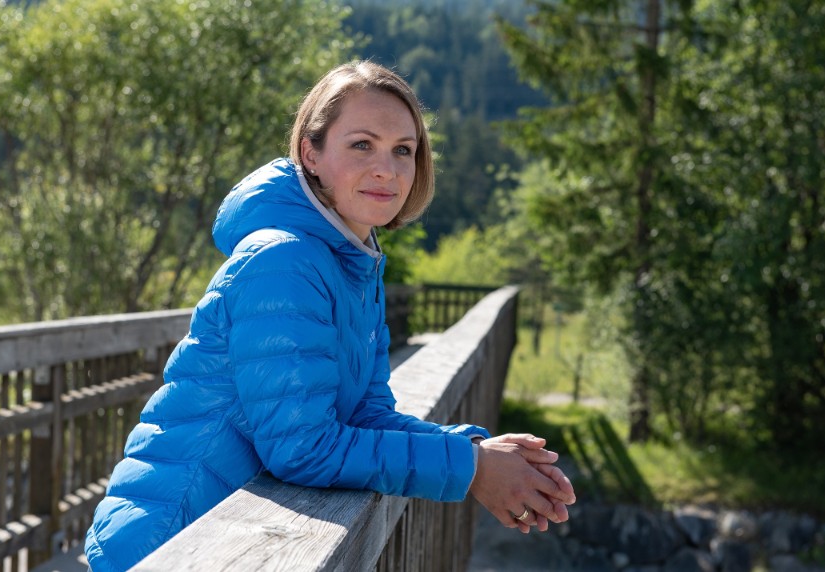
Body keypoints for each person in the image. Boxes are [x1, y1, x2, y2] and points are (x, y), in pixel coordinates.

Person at [84, 60, 575, 572]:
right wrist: (471, 469)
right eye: (362, 144)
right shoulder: (283, 261)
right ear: (310, 154)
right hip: (169, 542)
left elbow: (364, 413)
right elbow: (302, 447)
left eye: (402, 150)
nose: (387, 168)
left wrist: (473, 449)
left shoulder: (353, 262)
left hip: (225, 536)